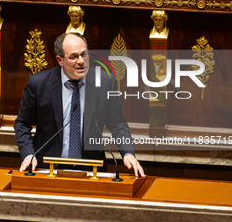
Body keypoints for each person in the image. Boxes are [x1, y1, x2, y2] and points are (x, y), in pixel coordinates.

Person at [14, 33, 145, 177]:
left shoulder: (105, 82)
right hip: (47, 168)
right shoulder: (39, 84)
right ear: (60, 60)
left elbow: (118, 124)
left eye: (84, 54)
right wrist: (28, 155)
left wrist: (127, 153)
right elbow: (22, 123)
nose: (81, 61)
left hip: (92, 170)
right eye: (74, 57)